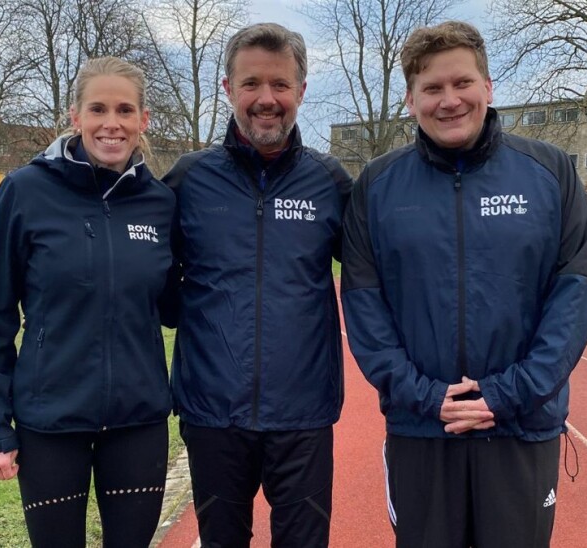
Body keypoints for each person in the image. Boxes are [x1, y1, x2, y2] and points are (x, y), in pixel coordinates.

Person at [341, 21, 587, 548]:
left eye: (462, 83)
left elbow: (572, 298)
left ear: (488, 87)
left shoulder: (549, 173)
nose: (449, 100)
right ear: (410, 100)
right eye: (432, 89)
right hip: (421, 428)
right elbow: (365, 306)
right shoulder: (377, 186)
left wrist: (505, 396)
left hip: (520, 427)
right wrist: (425, 396)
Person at [0, 57, 178, 547]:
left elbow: (173, 307)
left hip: (138, 420)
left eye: (125, 110)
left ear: (143, 120)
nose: (112, 123)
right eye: (98, 109)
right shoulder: (25, 191)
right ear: (75, 116)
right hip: (50, 420)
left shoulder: (160, 202)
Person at [163, 22, 352, 548]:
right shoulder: (188, 179)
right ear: (228, 89)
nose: (266, 99)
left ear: (302, 91)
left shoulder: (330, 182)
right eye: (251, 84)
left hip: (304, 413)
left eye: (280, 85)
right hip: (212, 412)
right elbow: (149, 275)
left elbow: (380, 275)